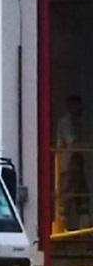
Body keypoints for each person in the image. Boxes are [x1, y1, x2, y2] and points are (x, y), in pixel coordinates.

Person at [57, 94, 89, 229]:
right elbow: (72, 143)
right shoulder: (66, 122)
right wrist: (87, 146)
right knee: (67, 197)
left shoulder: (77, 122)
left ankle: (84, 230)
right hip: (69, 164)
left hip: (77, 163)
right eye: (77, 106)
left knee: (83, 196)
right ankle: (61, 229)